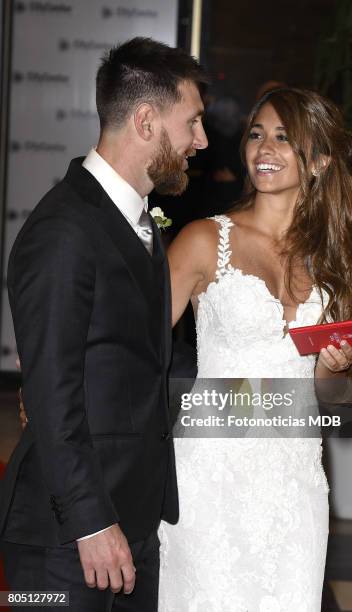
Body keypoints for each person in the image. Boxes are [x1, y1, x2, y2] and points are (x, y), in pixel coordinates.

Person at [0, 37, 207, 611]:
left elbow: (139, 365)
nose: (201, 141)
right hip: (67, 540)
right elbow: (52, 392)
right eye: (191, 122)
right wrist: (91, 524)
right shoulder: (64, 229)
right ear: (145, 120)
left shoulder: (141, 223)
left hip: (131, 527)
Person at [158, 87, 352, 611]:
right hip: (210, 475)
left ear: (319, 159)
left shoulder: (334, 263)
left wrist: (335, 368)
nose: (264, 149)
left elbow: (337, 396)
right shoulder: (204, 240)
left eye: (284, 137)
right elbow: (132, 346)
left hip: (294, 482)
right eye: (257, 134)